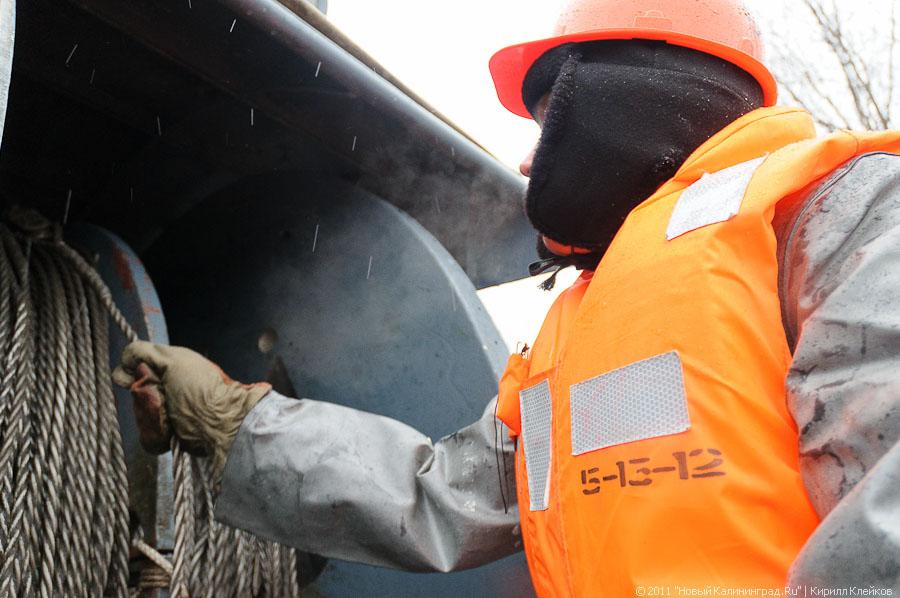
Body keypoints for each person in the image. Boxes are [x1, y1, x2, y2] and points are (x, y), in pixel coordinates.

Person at [113, 0, 900, 594]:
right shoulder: (578, 331)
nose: (529, 163)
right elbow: (437, 496)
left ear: (634, 94)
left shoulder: (840, 213)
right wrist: (234, 423)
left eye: (548, 121)